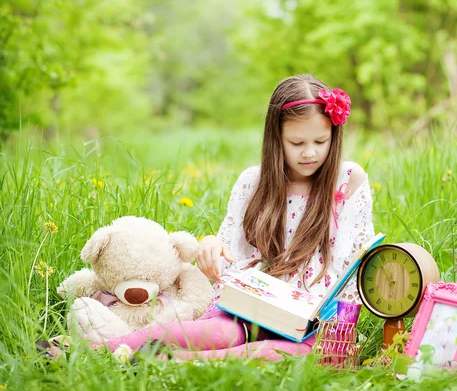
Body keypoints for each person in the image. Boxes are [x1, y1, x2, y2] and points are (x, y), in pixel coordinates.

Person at [101, 74, 375, 361]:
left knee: (281, 354)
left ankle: (172, 360)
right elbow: (230, 252)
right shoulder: (253, 182)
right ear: (276, 138)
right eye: (296, 142)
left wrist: (340, 328)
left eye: (321, 141)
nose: (310, 153)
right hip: (254, 304)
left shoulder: (347, 180)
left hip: (314, 317)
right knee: (221, 334)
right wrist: (211, 245)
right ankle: (90, 349)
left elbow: (352, 262)